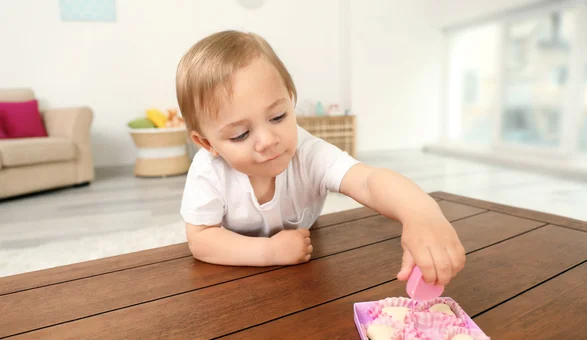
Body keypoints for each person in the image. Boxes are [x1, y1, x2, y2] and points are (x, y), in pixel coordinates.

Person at [177, 31, 465, 286]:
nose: (267, 141)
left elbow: (368, 181)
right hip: (234, 275)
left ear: (290, 99)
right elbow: (202, 238)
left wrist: (420, 211)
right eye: (240, 134)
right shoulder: (208, 171)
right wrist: (268, 252)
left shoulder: (308, 152)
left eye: (278, 116)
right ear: (206, 143)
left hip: (306, 272)